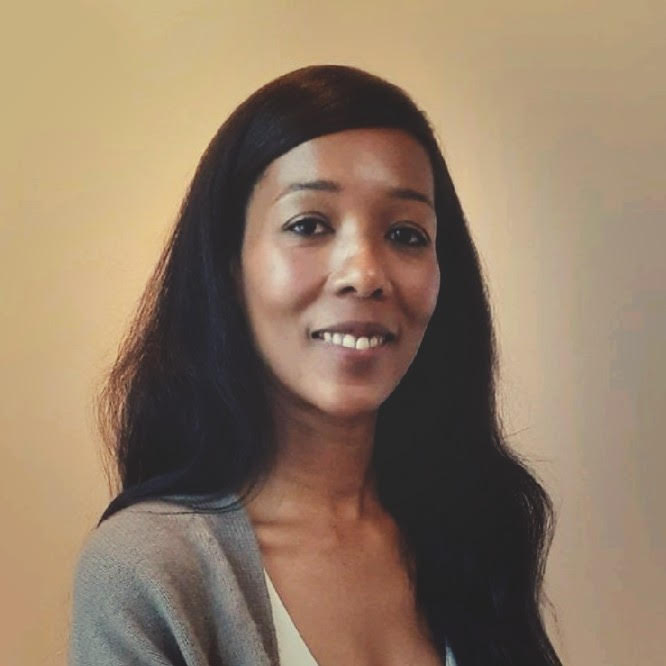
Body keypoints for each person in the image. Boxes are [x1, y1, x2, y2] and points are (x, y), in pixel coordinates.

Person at [68, 65, 562, 666]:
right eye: (308, 225)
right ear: (230, 267)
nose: (365, 274)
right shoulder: (148, 569)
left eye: (406, 234)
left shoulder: (475, 533)